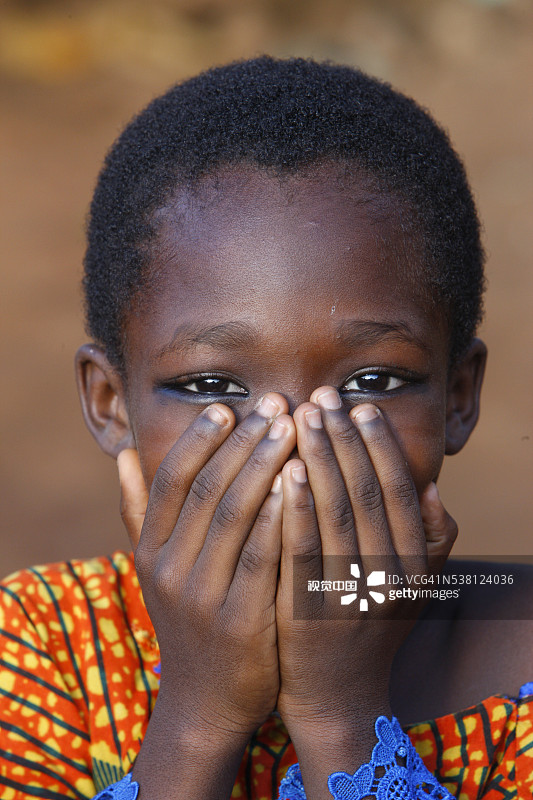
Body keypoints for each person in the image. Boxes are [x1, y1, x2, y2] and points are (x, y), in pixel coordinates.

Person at [1, 56, 532, 800]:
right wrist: (198, 717)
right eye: (212, 387)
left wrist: (338, 714)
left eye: (370, 383)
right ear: (109, 402)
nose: (293, 454)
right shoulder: (43, 645)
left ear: (457, 396)